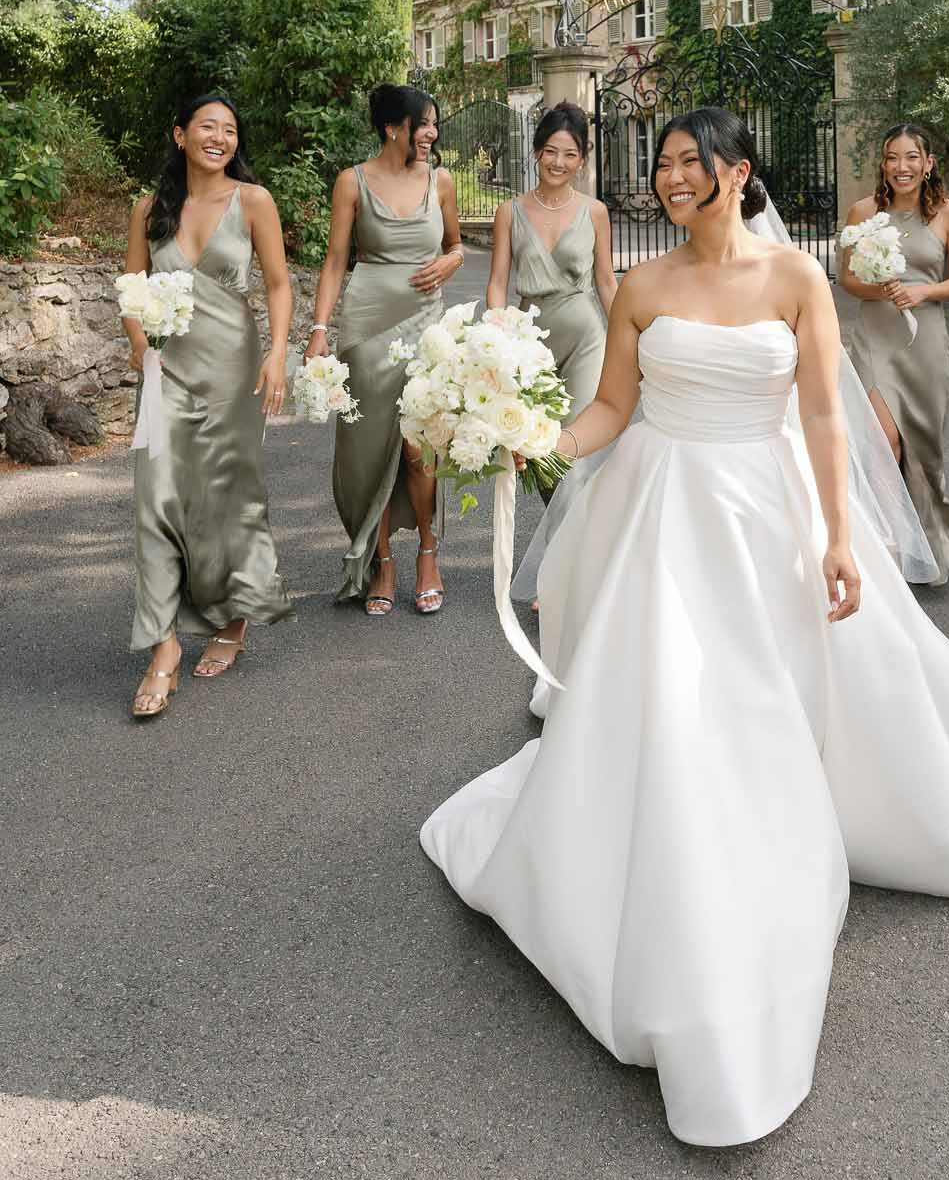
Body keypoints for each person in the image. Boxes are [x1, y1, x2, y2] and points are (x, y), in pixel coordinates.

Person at [422, 107, 949, 1148]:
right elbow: (610, 410)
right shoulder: (642, 287)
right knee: (678, 697)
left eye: (692, 161)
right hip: (666, 505)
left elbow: (825, 412)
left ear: (737, 171)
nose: (673, 177)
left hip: (765, 505)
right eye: (664, 165)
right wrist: (530, 436)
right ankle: (686, 877)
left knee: (789, 683)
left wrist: (837, 534)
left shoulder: (796, 280)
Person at [122, 93, 294, 718]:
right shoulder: (149, 209)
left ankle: (232, 619)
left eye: (229, 129)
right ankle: (162, 645)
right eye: (206, 127)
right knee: (156, 494)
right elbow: (134, 293)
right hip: (166, 370)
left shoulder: (253, 201)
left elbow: (278, 282)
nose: (219, 137)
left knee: (226, 493)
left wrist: (278, 354)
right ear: (179, 135)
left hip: (232, 367)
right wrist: (145, 349)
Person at [307, 85, 464, 616]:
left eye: (434, 125)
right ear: (393, 127)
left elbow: (456, 245)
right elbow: (335, 261)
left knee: (420, 450)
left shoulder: (440, 181)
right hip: (367, 325)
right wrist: (320, 329)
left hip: (427, 325)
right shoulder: (352, 182)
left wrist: (453, 262)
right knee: (367, 452)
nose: (431, 134)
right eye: (424, 124)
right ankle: (382, 563)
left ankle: (426, 553)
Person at [490, 102, 616, 604]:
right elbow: (498, 281)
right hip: (529, 339)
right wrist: (496, 340)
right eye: (550, 152)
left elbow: (606, 280)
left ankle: (567, 572)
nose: (559, 162)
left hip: (587, 334)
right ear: (537, 153)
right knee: (540, 453)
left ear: (582, 160)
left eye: (570, 154)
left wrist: (631, 336)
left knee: (576, 451)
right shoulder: (510, 211)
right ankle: (567, 553)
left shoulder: (595, 212)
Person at [842, 122, 949, 583]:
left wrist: (921, 292)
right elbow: (847, 280)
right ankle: (888, 548)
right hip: (875, 338)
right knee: (882, 442)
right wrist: (879, 290)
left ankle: (933, 542)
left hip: (926, 342)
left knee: (924, 449)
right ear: (883, 164)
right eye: (893, 157)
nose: (902, 167)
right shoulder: (862, 212)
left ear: (928, 163)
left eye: (911, 157)